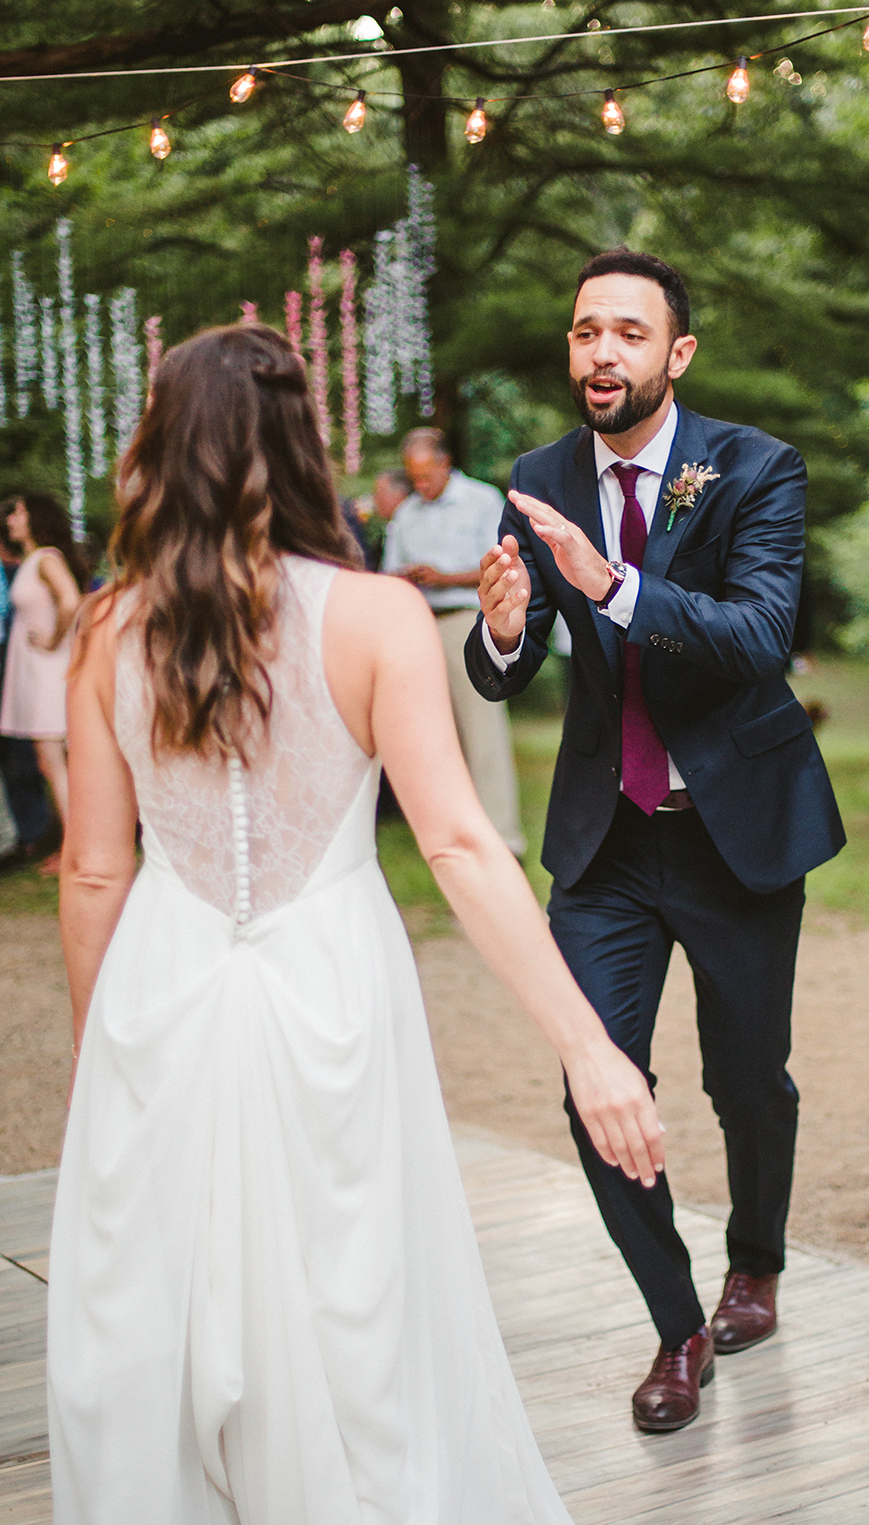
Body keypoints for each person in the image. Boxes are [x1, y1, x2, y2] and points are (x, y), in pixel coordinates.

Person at [49, 323, 664, 1525]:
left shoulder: (109, 631)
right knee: (352, 1303)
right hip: (330, 982)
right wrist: (588, 1045)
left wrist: (99, 1060)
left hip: (156, 993)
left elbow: (90, 874)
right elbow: (456, 845)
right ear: (301, 451)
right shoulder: (378, 614)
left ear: (159, 450)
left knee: (159, 1320)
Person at [465, 249, 845, 1434]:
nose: (600, 353)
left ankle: (755, 1263)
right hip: (608, 843)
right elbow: (508, 665)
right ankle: (676, 1325)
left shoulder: (753, 467)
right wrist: (501, 632)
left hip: (734, 831)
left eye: (628, 333)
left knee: (748, 1083)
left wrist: (611, 583)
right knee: (597, 1089)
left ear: (674, 355)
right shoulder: (535, 475)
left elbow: (756, 635)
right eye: (585, 332)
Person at [384, 428, 525, 856]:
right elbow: (389, 569)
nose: (420, 485)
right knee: (436, 734)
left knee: (483, 730)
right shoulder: (406, 513)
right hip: (421, 624)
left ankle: (503, 838)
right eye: (414, 477)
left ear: (445, 463)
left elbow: (504, 564)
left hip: (469, 619)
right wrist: (407, 577)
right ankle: (453, 836)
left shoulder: (481, 500)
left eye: (426, 475)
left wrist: (443, 577)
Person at [0, 493, 87, 874]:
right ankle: (74, 844)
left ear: (35, 517)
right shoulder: (36, 559)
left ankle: (75, 851)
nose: (10, 519)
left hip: (47, 669)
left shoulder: (46, 558)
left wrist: (54, 641)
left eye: (17, 512)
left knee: (54, 762)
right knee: (52, 761)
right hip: (37, 668)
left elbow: (71, 599)